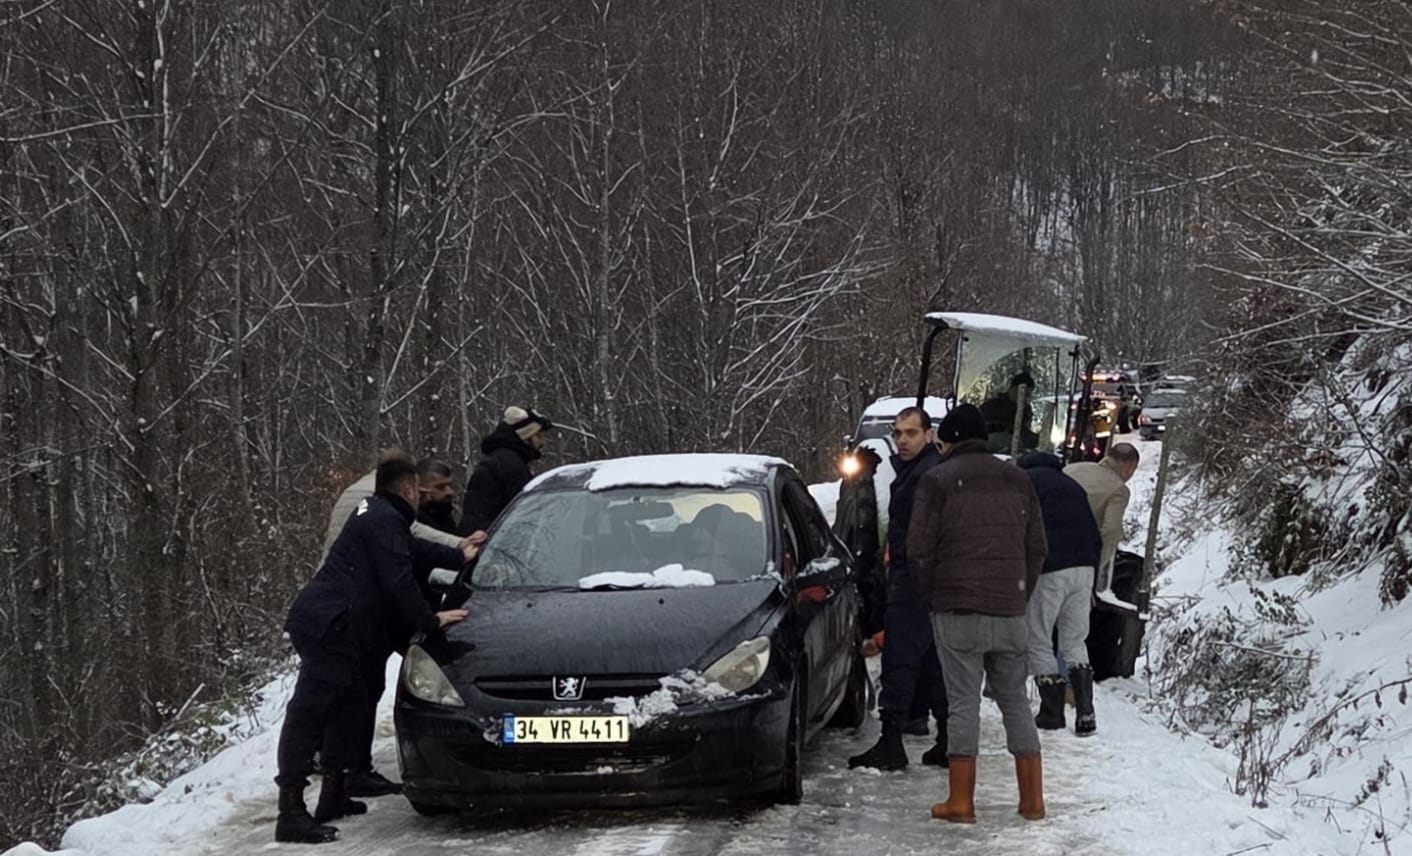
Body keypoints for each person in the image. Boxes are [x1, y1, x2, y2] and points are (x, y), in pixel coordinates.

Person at [274, 456, 476, 844]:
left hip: (341, 624)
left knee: (350, 706)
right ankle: (291, 810)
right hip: (329, 624)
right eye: (418, 491)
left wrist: (460, 552)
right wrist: (430, 620)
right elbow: (398, 579)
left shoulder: (378, 513)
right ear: (408, 490)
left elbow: (413, 550)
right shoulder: (383, 519)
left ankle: (334, 793)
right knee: (310, 713)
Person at [907, 403, 1048, 824]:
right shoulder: (1018, 478)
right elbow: (1037, 547)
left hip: (956, 608)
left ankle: (961, 802)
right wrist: (1017, 595)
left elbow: (918, 550)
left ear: (947, 441)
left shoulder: (937, 480)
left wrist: (930, 596)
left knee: (963, 703)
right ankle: (1032, 802)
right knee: (1016, 703)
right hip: (1009, 609)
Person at [848, 407, 950, 771]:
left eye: (910, 433)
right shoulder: (917, 471)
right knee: (932, 661)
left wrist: (906, 573)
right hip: (923, 581)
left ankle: (893, 741)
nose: (902, 440)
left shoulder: (927, 475)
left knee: (901, 660)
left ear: (928, 434)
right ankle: (946, 740)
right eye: (898, 433)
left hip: (916, 581)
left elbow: (922, 535)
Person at [1017, 452, 1102, 735]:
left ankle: (1052, 713)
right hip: (1085, 567)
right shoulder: (1072, 486)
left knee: (1039, 637)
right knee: (1075, 639)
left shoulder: (1026, 482)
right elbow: (1096, 533)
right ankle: (1085, 712)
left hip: (1050, 569)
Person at [1062, 442, 1140, 736]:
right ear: (1129, 468)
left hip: (1045, 552)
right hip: (1079, 561)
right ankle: (1071, 693)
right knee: (1074, 629)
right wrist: (1099, 572)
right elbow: (1110, 531)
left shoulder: (1072, 469)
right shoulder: (1118, 490)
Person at [459, 406, 553, 535]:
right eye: (538, 435)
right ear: (525, 436)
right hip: (493, 543)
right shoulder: (511, 465)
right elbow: (527, 513)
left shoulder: (501, 459)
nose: (542, 442)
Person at [979, 372, 1039, 451]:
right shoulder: (991, 406)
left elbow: (1024, 433)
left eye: (1029, 395)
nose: (1026, 399)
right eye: (1026, 394)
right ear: (1014, 389)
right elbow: (983, 430)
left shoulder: (1026, 410)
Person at [415, 458, 459, 535]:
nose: (450, 492)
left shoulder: (445, 517)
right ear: (421, 488)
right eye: (440, 487)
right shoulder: (415, 522)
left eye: (450, 485)